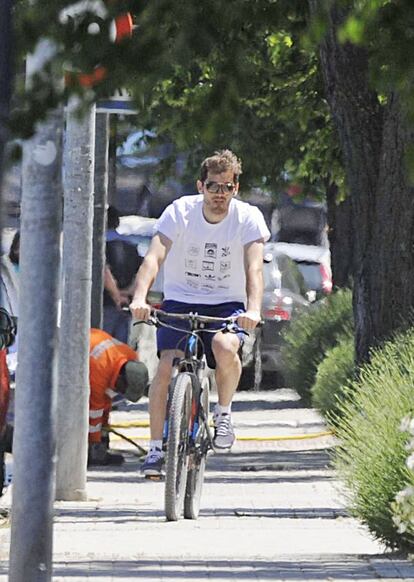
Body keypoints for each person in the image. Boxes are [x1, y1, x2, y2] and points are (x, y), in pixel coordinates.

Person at [130, 149, 270, 476]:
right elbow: (154, 258)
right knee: (166, 366)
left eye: (226, 187)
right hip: (180, 300)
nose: (219, 194)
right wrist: (140, 298)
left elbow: (254, 269)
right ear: (200, 186)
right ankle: (154, 450)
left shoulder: (247, 218)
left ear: (236, 188)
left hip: (227, 304)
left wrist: (253, 309)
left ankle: (223, 413)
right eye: (213, 186)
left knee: (224, 347)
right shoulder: (180, 212)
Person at [88, 328, 149, 466]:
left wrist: (104, 434)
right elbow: (95, 410)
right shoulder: (101, 368)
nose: (120, 393)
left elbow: (106, 400)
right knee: (90, 409)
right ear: (122, 380)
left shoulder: (130, 356)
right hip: (76, 361)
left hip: (93, 354)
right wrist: (95, 443)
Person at [103, 206, 142, 343]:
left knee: (101, 346)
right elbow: (140, 273)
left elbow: (104, 272)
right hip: (127, 304)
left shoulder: (99, 245)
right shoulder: (130, 246)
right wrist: (128, 293)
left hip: (105, 303)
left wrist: (117, 295)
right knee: (121, 347)